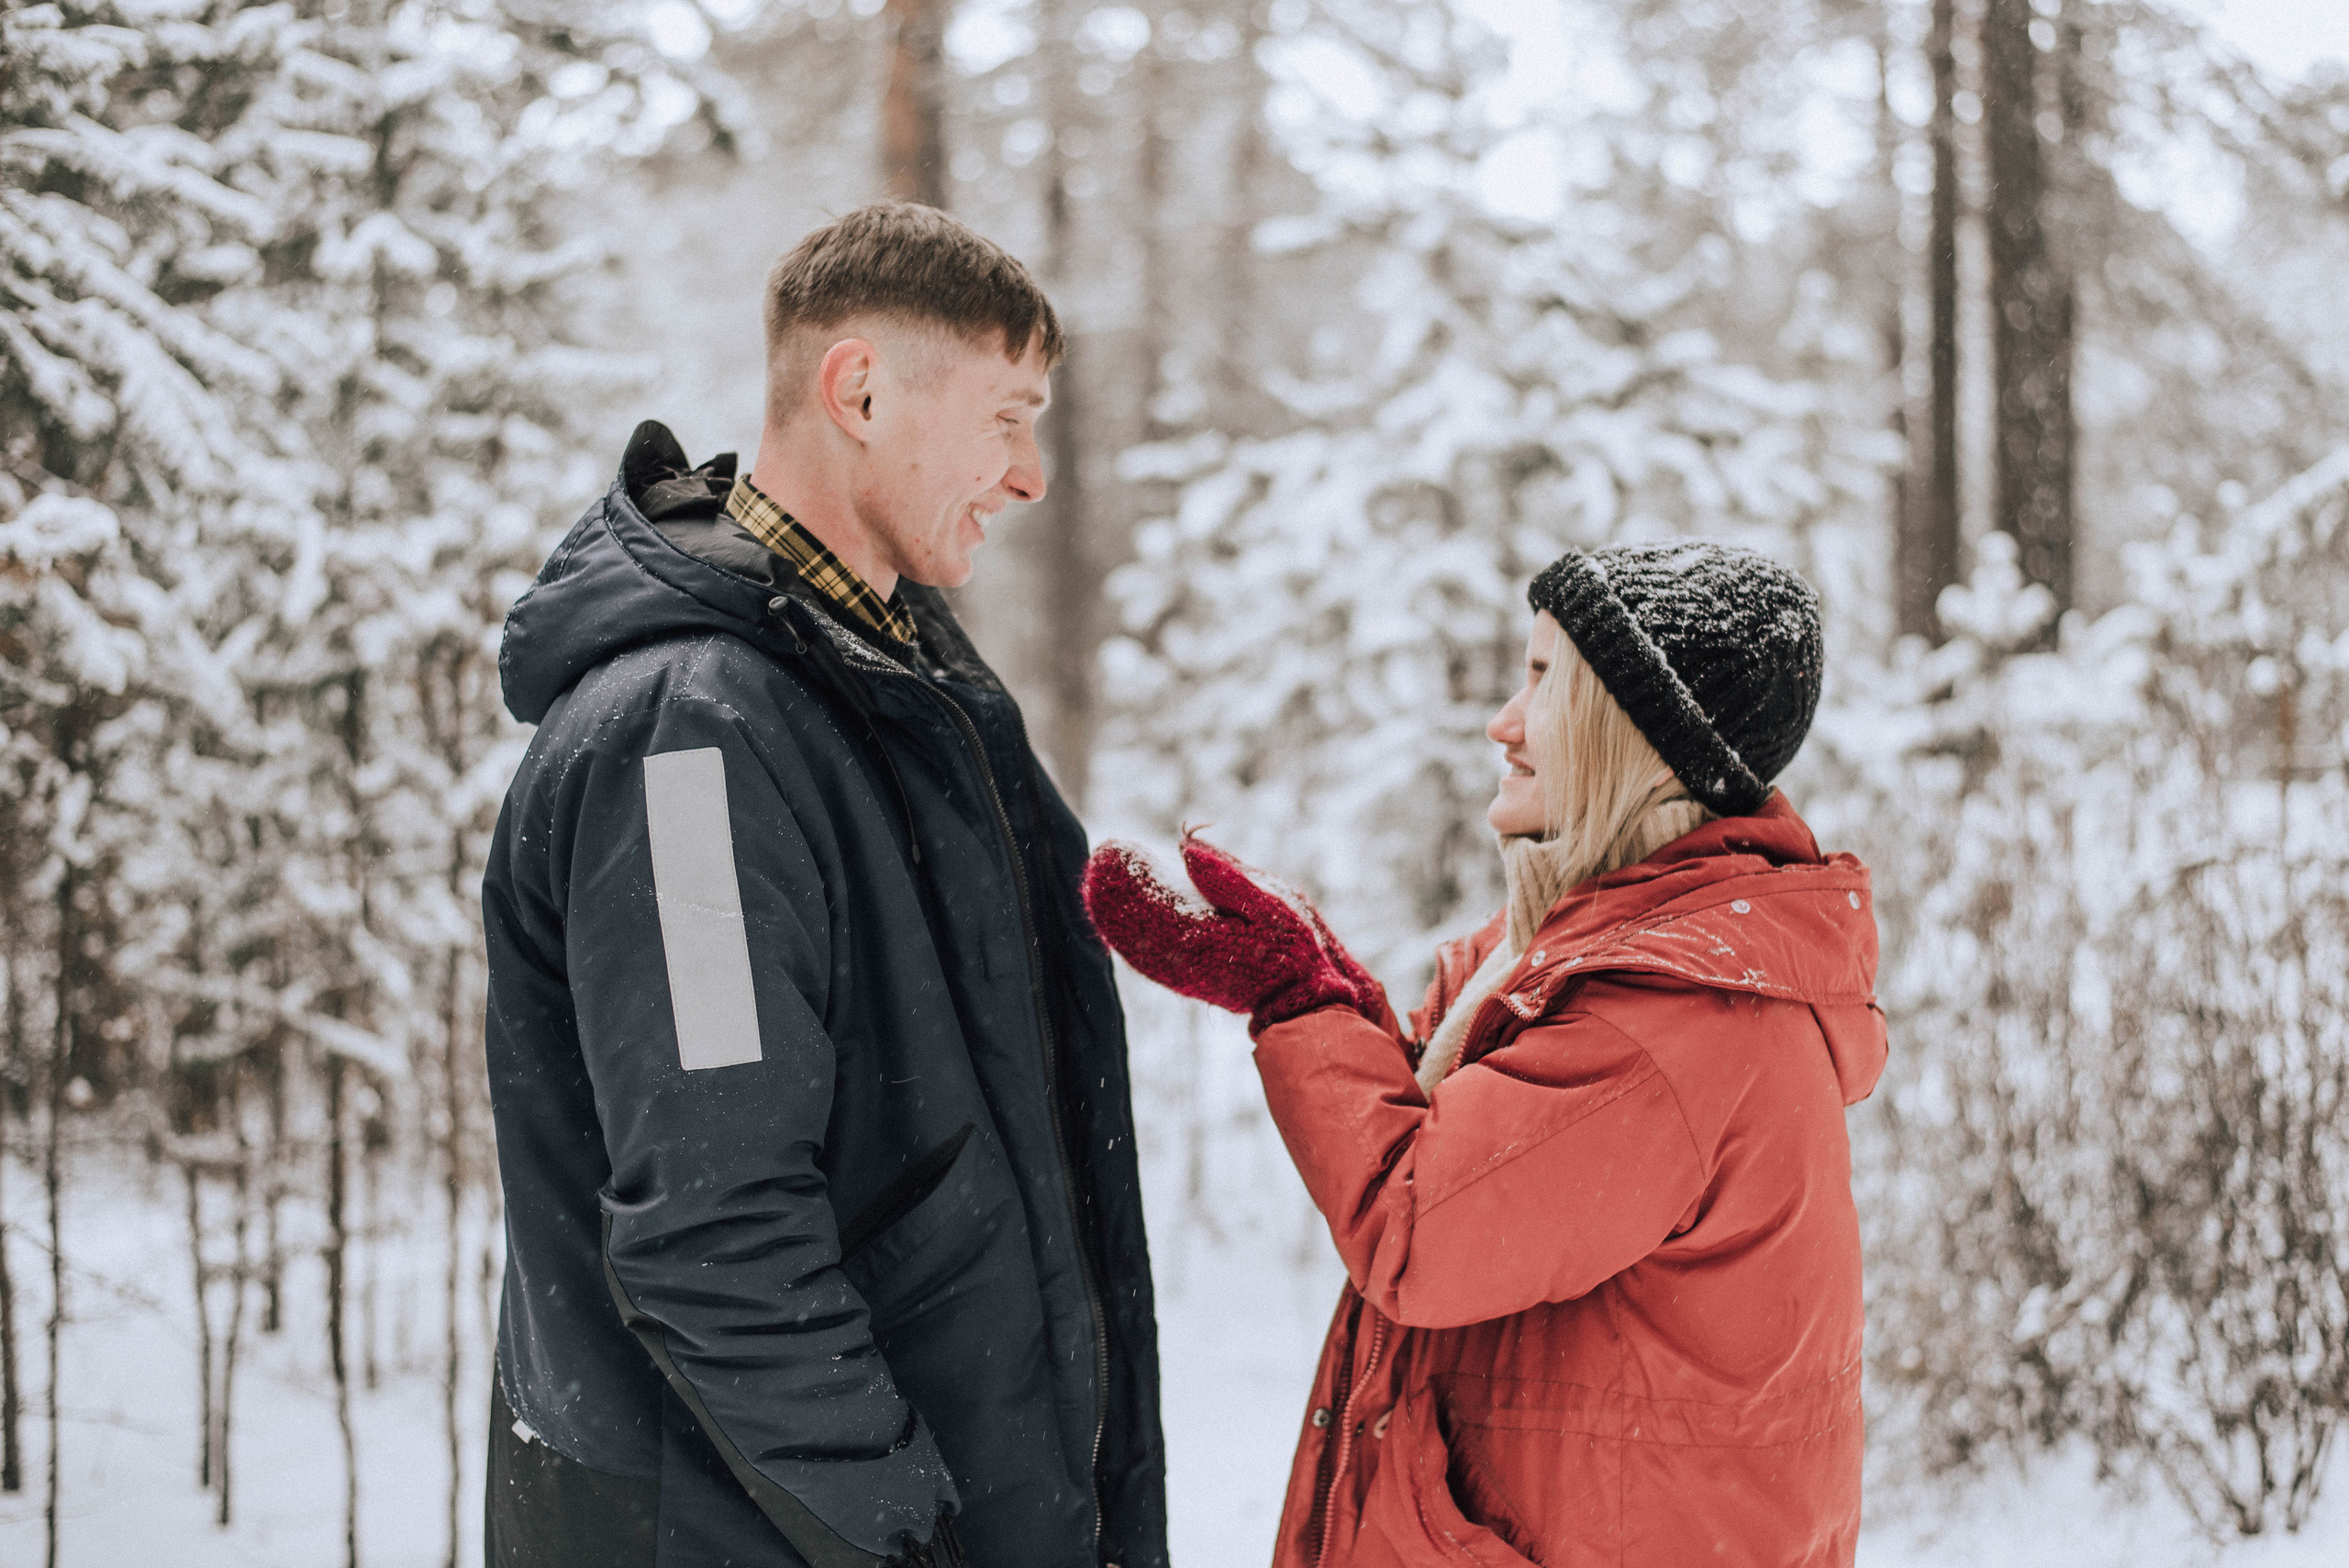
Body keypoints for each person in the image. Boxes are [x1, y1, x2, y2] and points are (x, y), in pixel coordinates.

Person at [482, 203, 1165, 1568]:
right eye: (1006, 415)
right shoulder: (689, 749)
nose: (1030, 474)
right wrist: (907, 1534)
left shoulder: (901, 689)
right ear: (858, 388)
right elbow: (713, 1224)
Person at [1085, 541, 1887, 1567]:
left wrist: (1303, 1003)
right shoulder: (1613, 977)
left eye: (1545, 682)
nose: (1502, 722)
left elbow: (1419, 1224)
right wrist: (1347, 1004)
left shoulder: (1671, 1026)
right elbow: (1487, 1167)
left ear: (1633, 735)